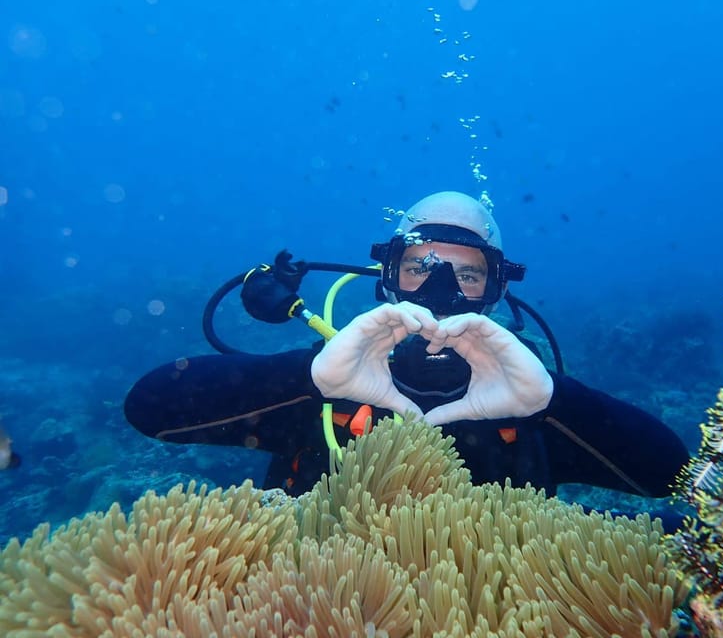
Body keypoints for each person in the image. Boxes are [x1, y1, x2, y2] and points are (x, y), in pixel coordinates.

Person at [124, 191, 689, 502]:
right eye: (420, 267)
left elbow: (671, 474)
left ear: (495, 292)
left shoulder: (531, 406)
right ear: (387, 277)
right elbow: (150, 408)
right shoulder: (327, 384)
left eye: (469, 275)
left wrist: (552, 403)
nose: (443, 291)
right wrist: (309, 381)